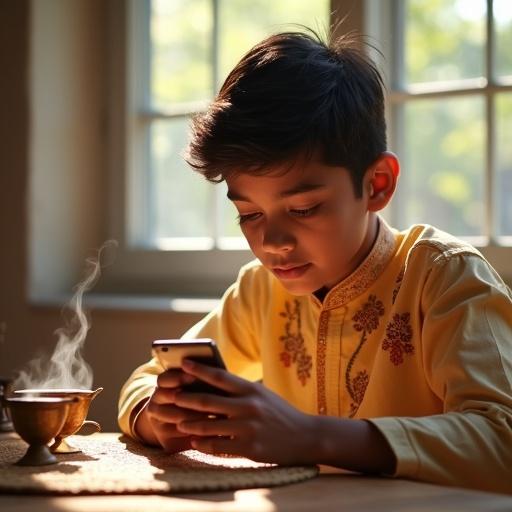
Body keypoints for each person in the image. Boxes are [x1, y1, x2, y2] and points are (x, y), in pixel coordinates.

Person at [118, 29, 512, 494]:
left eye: (304, 209)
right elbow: (144, 381)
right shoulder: (260, 291)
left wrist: (309, 436)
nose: (273, 243)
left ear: (377, 185)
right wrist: (157, 418)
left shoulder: (443, 276)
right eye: (249, 214)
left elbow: (500, 440)